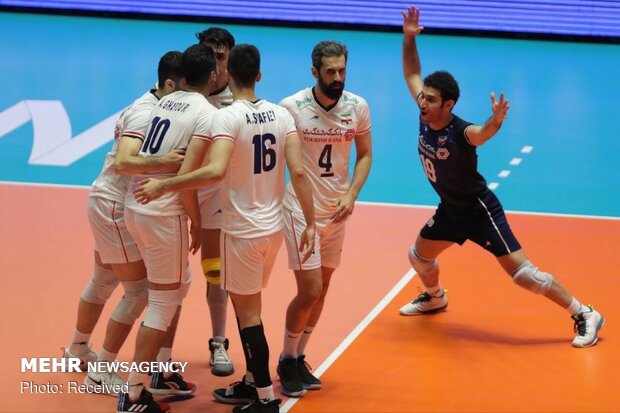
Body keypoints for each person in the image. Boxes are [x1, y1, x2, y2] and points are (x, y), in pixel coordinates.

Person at [399, 5, 604, 348]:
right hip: (450, 210)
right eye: (424, 98)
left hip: (479, 212)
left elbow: (481, 133)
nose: (423, 103)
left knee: (524, 275)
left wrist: (495, 120)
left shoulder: (459, 131)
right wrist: (408, 38)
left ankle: (584, 313)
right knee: (418, 255)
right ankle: (435, 297)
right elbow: (411, 73)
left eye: (431, 100)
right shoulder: (425, 115)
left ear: (448, 105)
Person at [133, 43, 317, 413]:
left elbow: (214, 170)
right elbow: (298, 172)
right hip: (274, 230)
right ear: (260, 75)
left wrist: (164, 184)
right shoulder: (282, 115)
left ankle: (263, 398)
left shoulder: (226, 118)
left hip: (241, 231)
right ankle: (251, 381)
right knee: (252, 308)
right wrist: (310, 223)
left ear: (228, 75)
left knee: (248, 316)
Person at [62, 51, 185, 395]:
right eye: (185, 89)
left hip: (105, 201)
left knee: (103, 279)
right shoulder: (146, 112)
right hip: (115, 206)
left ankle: (78, 349)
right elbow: (125, 163)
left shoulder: (155, 105)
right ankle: (101, 370)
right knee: (140, 291)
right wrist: (168, 161)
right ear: (171, 84)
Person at [117, 43, 220, 413]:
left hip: (136, 206)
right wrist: (197, 221)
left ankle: (160, 370)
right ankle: (134, 393)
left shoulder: (164, 101)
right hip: (164, 214)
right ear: (213, 76)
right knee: (162, 301)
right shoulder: (206, 115)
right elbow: (188, 177)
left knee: (180, 286)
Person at [277, 40, 372, 396]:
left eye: (342, 70)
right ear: (314, 71)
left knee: (324, 288)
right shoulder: (292, 107)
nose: (338, 77)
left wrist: (351, 194)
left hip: (337, 211)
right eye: (330, 71)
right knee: (310, 290)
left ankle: (300, 355)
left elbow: (364, 155)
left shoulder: (357, 107)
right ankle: (286, 358)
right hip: (303, 212)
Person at [195, 26, 236, 376]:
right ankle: (160, 358)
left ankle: (219, 343)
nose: (215, 64)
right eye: (210, 54)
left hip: (213, 204)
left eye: (221, 57)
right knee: (165, 283)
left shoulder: (237, 105)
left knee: (216, 275)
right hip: (173, 200)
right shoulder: (182, 93)